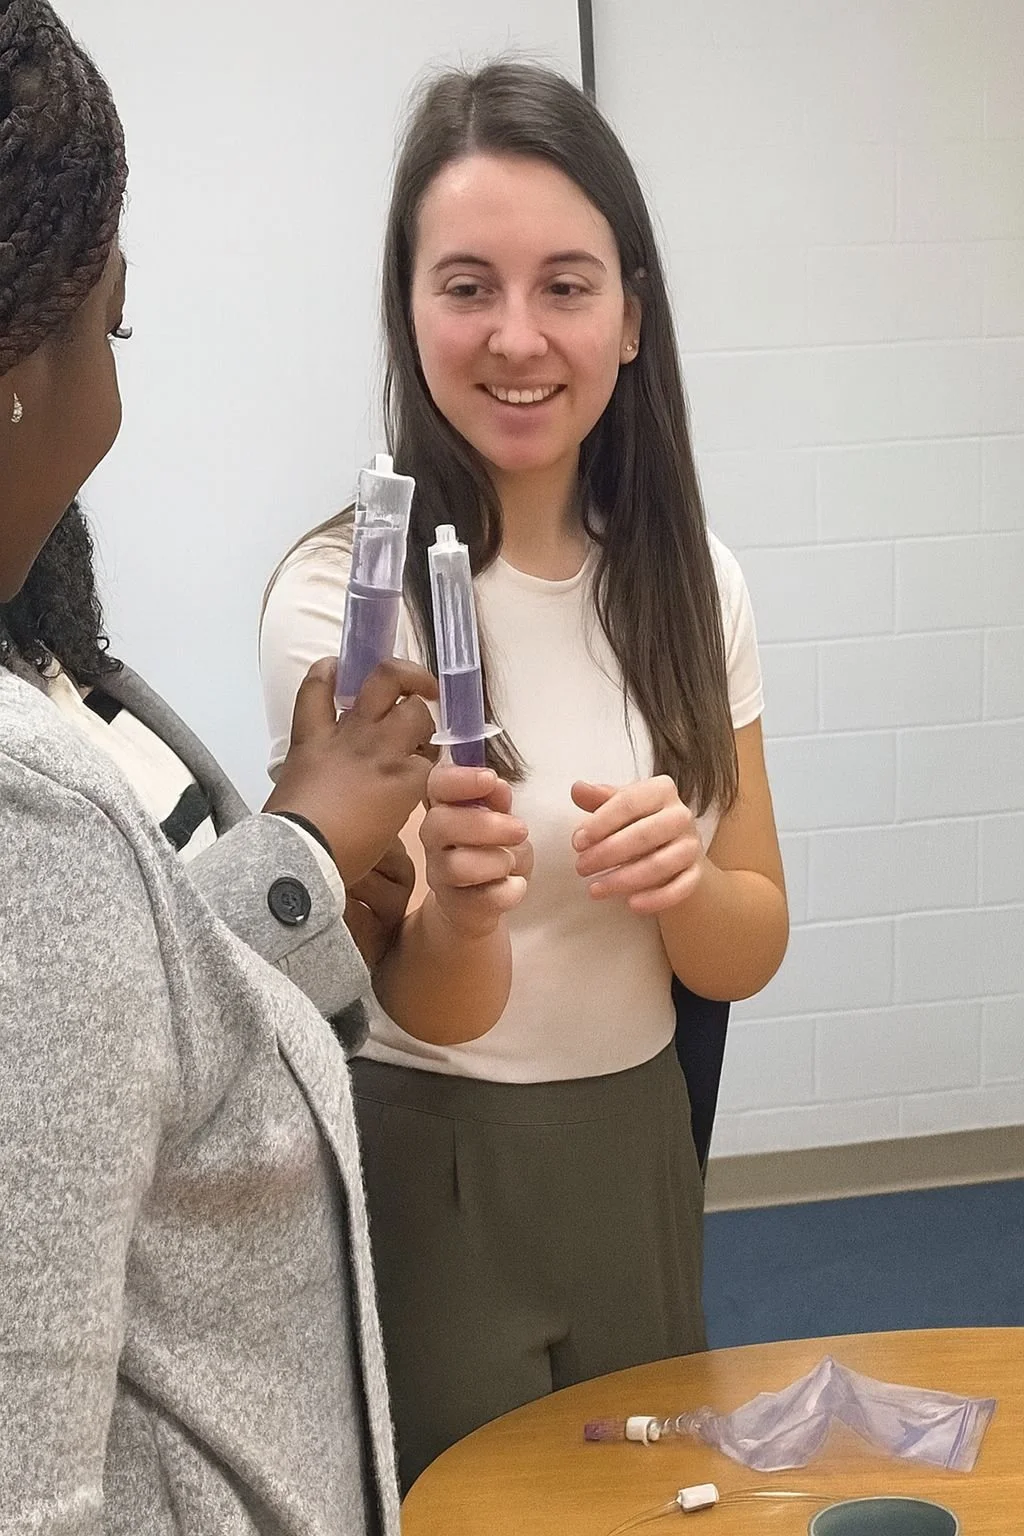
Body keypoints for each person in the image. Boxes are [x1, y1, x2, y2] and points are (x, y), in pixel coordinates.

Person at [260, 60, 790, 1488]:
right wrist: (465, 919)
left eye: (565, 285)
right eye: (466, 285)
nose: (516, 338)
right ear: (408, 306)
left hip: (636, 1144)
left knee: (655, 1502)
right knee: (465, 1506)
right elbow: (420, 1000)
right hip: (435, 1155)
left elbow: (750, 946)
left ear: (630, 316)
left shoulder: (694, 585)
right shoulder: (340, 605)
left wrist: (684, 884)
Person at [0, 4, 437, 1528]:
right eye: (109, 325)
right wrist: (314, 844)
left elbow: (103, 1060)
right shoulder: (30, 813)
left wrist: (305, 865)